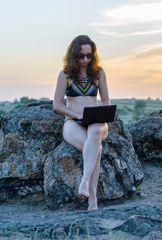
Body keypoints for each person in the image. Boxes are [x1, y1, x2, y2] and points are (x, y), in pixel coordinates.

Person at [53, 35, 110, 210]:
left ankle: (84, 183)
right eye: (81, 56)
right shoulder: (65, 74)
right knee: (96, 148)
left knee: (94, 134)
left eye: (89, 55)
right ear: (73, 55)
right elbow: (57, 104)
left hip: (97, 121)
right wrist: (75, 114)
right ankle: (93, 201)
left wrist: (103, 114)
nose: (85, 59)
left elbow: (106, 101)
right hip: (72, 121)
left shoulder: (99, 73)